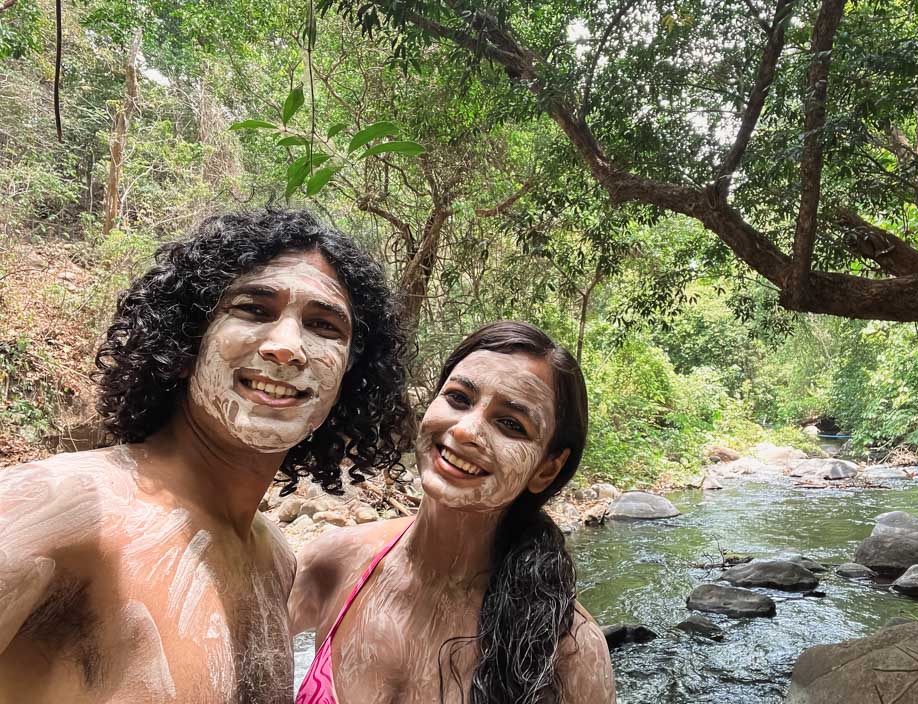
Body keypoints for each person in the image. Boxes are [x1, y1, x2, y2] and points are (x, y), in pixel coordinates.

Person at [0, 208, 411, 703]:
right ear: (187, 338)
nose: (287, 347)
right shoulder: (67, 507)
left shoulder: (277, 561)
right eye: (255, 309)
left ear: (349, 376)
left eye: (324, 326)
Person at [289, 321, 616, 704]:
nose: (466, 431)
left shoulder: (568, 650)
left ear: (547, 469)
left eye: (511, 424)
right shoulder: (331, 565)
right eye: (458, 398)